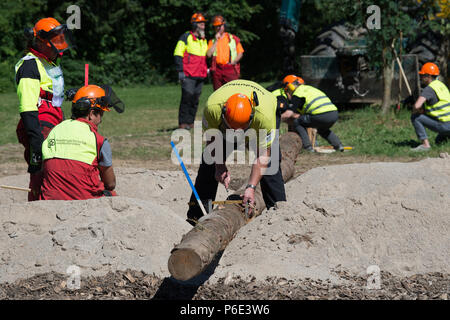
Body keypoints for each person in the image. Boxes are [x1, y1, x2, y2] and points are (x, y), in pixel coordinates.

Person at [186, 79, 286, 225]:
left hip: (266, 107)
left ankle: (280, 215)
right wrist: (219, 166)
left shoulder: (264, 117)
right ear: (224, 114)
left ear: (251, 118)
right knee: (209, 161)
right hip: (227, 120)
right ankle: (196, 215)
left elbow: (262, 156)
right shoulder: (213, 108)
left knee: (270, 165)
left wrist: (251, 187)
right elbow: (212, 140)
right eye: (231, 129)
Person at [15, 17, 74, 201]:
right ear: (41, 41)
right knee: (42, 169)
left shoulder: (49, 62)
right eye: (56, 41)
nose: (60, 44)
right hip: (38, 124)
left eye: (61, 38)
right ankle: (38, 207)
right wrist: (36, 140)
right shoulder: (30, 65)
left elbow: (51, 93)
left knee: (55, 166)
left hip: (53, 120)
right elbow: (27, 106)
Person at [39, 84, 125, 200]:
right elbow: (110, 184)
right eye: (101, 114)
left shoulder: (55, 130)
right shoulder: (98, 140)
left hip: (50, 197)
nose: (101, 119)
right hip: (84, 198)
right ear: (91, 114)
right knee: (112, 195)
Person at [279, 75, 344, 152]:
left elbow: (288, 114)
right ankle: (339, 146)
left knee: (297, 122)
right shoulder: (310, 89)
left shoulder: (297, 93)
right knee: (322, 129)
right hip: (334, 114)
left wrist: (276, 118)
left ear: (290, 87)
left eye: (287, 90)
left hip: (320, 115)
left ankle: (307, 147)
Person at [174, 12, 208, 129]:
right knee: (186, 98)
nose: (203, 26)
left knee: (195, 100)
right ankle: (183, 123)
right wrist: (180, 71)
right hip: (188, 75)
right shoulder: (186, 37)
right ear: (194, 25)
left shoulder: (203, 40)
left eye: (204, 24)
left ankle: (190, 122)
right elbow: (178, 53)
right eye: (201, 23)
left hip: (200, 75)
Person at [409, 62, 450, 151]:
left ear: (429, 76)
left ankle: (425, 145)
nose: (421, 78)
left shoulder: (429, 89)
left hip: (444, 125)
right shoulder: (441, 85)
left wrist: (415, 110)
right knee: (438, 141)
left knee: (415, 117)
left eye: (423, 75)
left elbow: (417, 106)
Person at [206, 15, 244, 91]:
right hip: (217, 69)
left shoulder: (232, 38)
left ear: (224, 25)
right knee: (218, 93)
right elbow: (208, 54)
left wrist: (233, 62)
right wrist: (216, 41)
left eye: (220, 26)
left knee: (232, 91)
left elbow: (240, 53)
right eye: (216, 26)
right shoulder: (212, 41)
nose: (219, 28)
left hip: (230, 68)